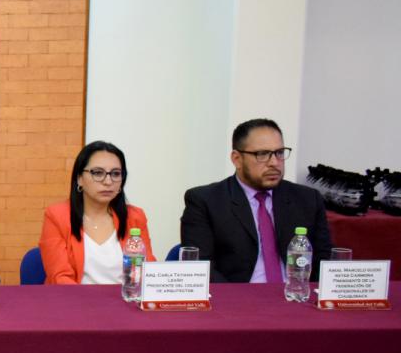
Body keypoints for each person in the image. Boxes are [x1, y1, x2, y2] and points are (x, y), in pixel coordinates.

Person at [181, 118, 331, 283]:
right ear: (237, 159)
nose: (274, 163)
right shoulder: (205, 201)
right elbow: (200, 268)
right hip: (238, 301)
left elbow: (323, 263)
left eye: (279, 153)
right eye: (262, 154)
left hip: (295, 297)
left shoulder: (308, 199)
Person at [39, 141, 155, 284]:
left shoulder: (135, 217)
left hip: (124, 301)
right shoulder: (57, 216)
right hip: (74, 302)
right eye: (98, 173)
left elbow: (147, 271)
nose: (108, 181)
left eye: (115, 174)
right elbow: (60, 277)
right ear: (79, 178)